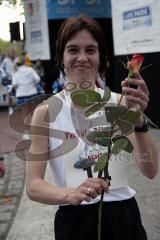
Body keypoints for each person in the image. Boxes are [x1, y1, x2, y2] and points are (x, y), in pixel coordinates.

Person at [26, 16, 158, 240]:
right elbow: (33, 185)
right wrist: (70, 193)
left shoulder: (119, 103)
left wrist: (138, 121)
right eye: (73, 50)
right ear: (61, 57)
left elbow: (150, 170)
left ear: (102, 58)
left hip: (123, 219)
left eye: (91, 50)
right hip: (74, 221)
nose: (82, 58)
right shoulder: (45, 113)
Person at [12, 56, 40, 139]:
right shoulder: (30, 70)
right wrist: (32, 84)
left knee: (25, 115)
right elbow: (38, 79)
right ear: (24, 62)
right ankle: (37, 132)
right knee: (35, 114)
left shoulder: (15, 73)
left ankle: (27, 133)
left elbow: (14, 84)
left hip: (22, 95)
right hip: (33, 93)